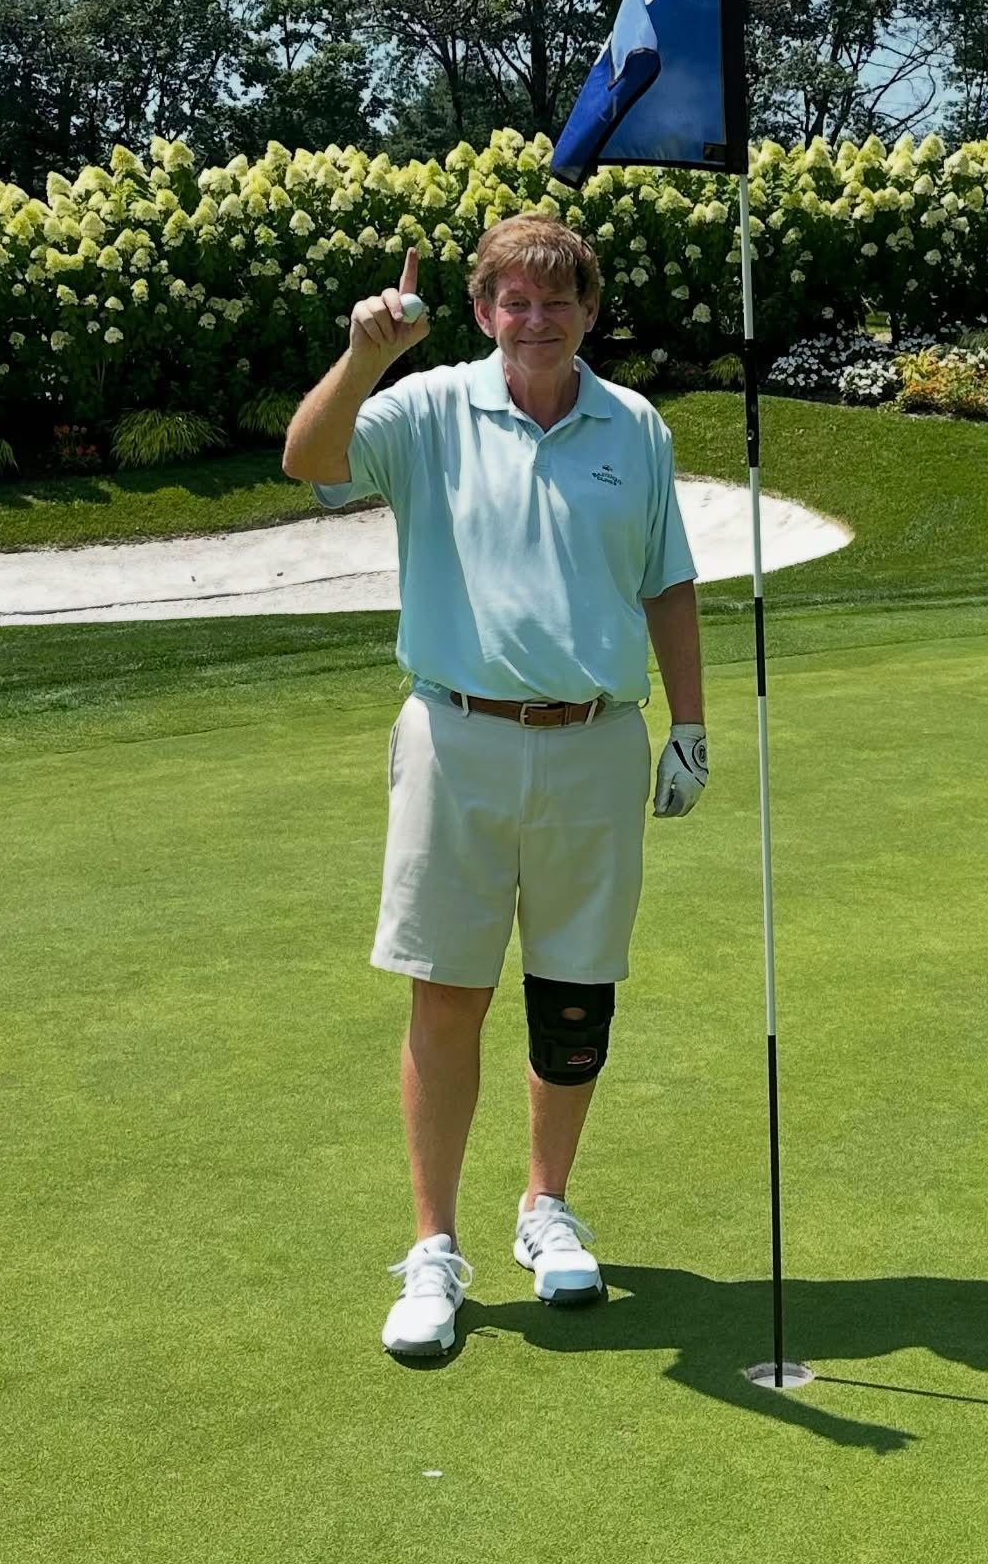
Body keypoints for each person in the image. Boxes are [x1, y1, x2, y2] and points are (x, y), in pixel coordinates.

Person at [281, 215, 708, 1357]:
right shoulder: (425, 410)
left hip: (596, 742)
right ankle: (434, 1248)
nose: (536, 320)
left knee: (575, 998)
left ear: (588, 312)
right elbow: (310, 461)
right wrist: (366, 356)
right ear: (481, 313)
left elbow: (667, 581)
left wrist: (690, 725)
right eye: (514, 301)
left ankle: (545, 1207)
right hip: (456, 737)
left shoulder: (635, 426)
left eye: (557, 300)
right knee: (447, 994)